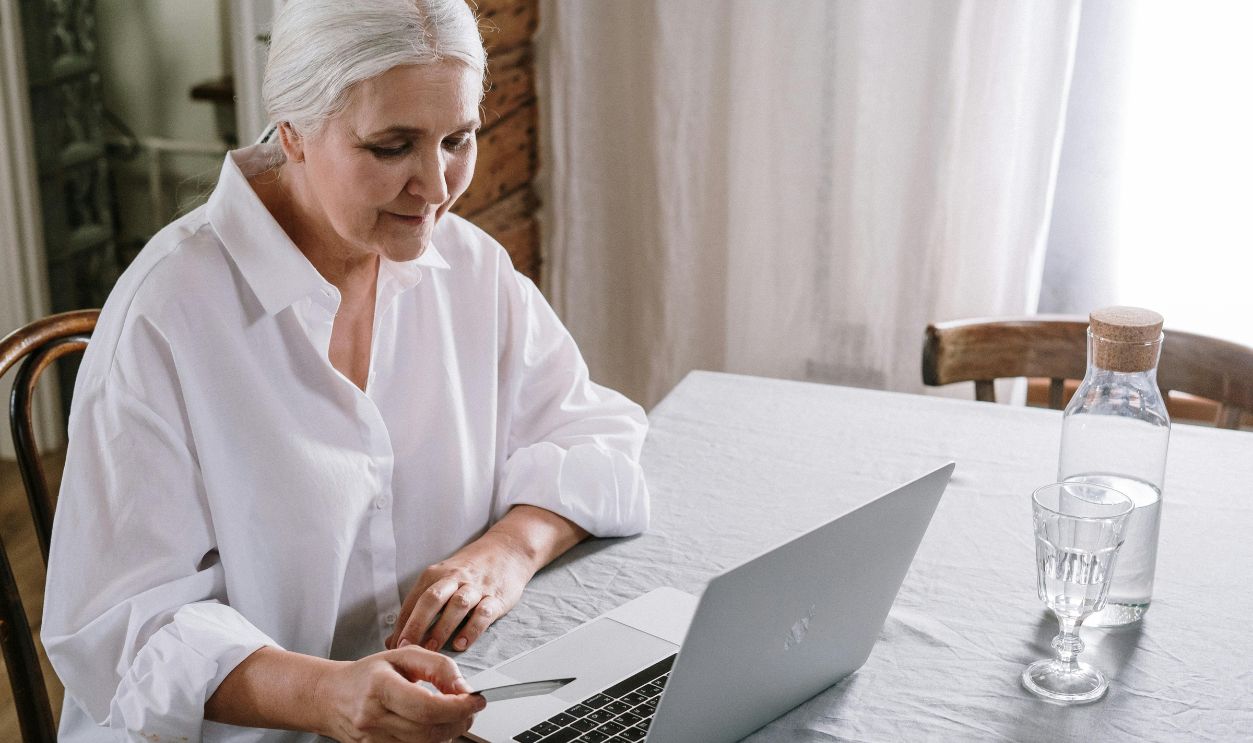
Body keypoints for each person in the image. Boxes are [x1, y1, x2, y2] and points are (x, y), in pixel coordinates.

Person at [40, 1, 650, 741]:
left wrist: (506, 552)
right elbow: (121, 631)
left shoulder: (470, 268)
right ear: (292, 131)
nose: (436, 186)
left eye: (457, 138)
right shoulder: (164, 317)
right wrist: (325, 694)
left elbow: (598, 436)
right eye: (392, 146)